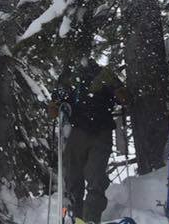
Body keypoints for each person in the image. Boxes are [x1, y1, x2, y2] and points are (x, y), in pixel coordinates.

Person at [49, 58, 128, 223]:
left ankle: (89, 219)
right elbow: (58, 101)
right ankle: (75, 217)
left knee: (93, 176)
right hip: (80, 130)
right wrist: (56, 107)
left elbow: (121, 96)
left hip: (98, 131)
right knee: (76, 177)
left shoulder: (102, 74)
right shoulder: (69, 76)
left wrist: (120, 94)